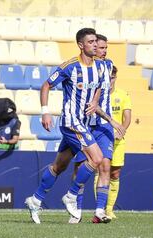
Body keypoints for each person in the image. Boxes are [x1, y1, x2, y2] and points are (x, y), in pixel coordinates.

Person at [24, 28, 125, 224]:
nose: (95, 45)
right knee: (96, 158)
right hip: (72, 122)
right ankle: (71, 196)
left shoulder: (100, 66)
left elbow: (98, 87)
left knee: (59, 165)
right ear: (81, 45)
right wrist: (45, 111)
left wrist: (95, 103)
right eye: (91, 42)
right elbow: (46, 85)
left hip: (85, 123)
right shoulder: (70, 66)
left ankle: (35, 200)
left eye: (96, 41)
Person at [70, 34, 114, 224]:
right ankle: (76, 211)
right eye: (98, 47)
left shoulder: (109, 66)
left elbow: (108, 89)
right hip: (85, 123)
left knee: (105, 166)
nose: (101, 50)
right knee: (81, 167)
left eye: (104, 48)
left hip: (103, 125)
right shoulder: (83, 68)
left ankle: (99, 211)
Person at [105, 65, 131, 219]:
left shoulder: (123, 95)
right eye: (108, 77)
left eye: (112, 77)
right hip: (101, 137)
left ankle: (109, 209)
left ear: (116, 77)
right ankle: (100, 207)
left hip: (117, 139)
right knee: (102, 171)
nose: (110, 81)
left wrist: (121, 131)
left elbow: (127, 117)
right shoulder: (98, 95)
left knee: (114, 173)